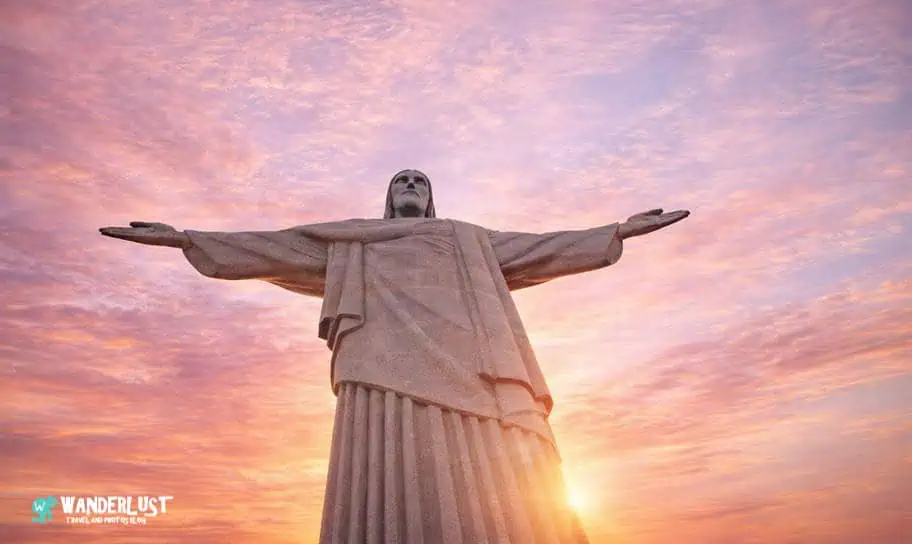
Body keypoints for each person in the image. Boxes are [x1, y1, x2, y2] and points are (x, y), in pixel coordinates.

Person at [100, 169, 689, 543]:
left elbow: (542, 247)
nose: (410, 186)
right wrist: (185, 237)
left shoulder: (466, 238)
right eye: (401, 182)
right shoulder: (350, 240)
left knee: (488, 470)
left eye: (420, 182)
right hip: (379, 366)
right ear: (387, 199)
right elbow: (273, 246)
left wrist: (617, 231)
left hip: (472, 368)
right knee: (388, 460)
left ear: (432, 200)